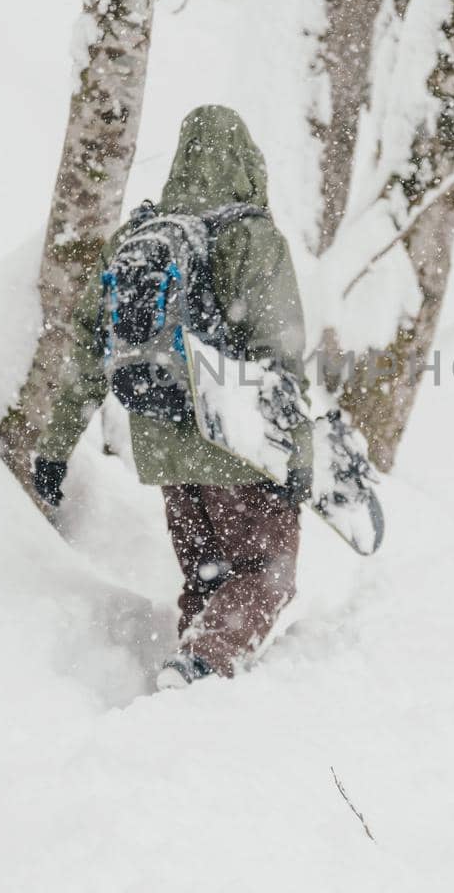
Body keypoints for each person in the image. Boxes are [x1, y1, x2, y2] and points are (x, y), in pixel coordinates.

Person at [30, 105, 312, 689]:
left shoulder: (135, 238)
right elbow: (279, 358)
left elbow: (87, 349)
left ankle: (186, 692)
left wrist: (54, 447)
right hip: (236, 445)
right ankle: (204, 667)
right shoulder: (251, 237)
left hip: (163, 446)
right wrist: (300, 459)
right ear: (246, 162)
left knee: (207, 580)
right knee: (266, 574)